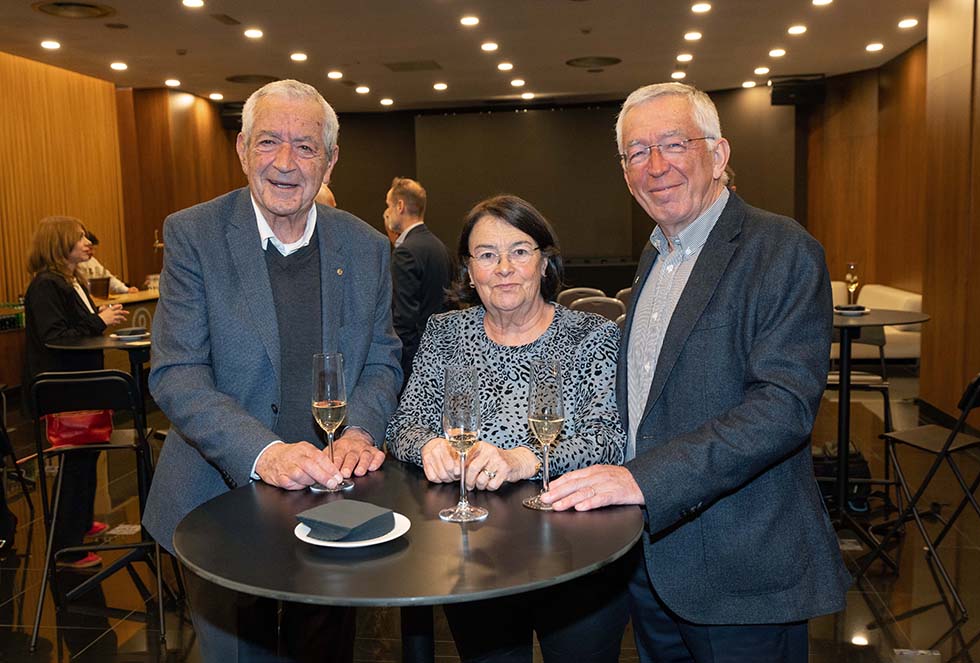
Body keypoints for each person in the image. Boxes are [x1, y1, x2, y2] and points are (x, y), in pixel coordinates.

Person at [542, 82, 851, 662]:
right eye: (637, 152)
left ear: (719, 153)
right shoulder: (657, 254)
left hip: (742, 575)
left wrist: (642, 481)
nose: (655, 166)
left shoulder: (781, 249)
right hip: (653, 565)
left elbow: (783, 408)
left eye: (673, 143)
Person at [144, 79, 401, 661]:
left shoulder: (365, 246)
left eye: (305, 147)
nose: (285, 162)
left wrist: (360, 430)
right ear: (242, 149)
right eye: (268, 142)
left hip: (334, 502)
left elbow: (381, 359)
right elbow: (178, 372)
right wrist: (265, 454)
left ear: (330, 160)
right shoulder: (194, 234)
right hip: (219, 501)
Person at [386, 195, 628, 662]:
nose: (503, 268)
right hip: (476, 555)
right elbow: (404, 424)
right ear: (469, 270)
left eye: (519, 251)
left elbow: (608, 438)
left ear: (544, 262)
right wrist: (429, 445)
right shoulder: (444, 333)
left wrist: (525, 459)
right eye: (486, 255)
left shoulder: (591, 335)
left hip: (576, 551)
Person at [23, 216, 129, 569]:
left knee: (87, 459)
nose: (88, 242)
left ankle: (81, 522)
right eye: (80, 237)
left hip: (82, 389)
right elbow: (56, 337)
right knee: (74, 464)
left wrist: (98, 317)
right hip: (65, 392)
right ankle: (67, 547)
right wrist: (99, 321)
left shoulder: (72, 280)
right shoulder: (46, 285)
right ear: (59, 244)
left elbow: (74, 327)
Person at [383, 177, 452, 382]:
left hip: (415, 365)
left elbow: (404, 320)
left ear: (400, 206)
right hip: (442, 355)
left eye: (389, 205)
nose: (387, 213)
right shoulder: (440, 247)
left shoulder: (405, 252)